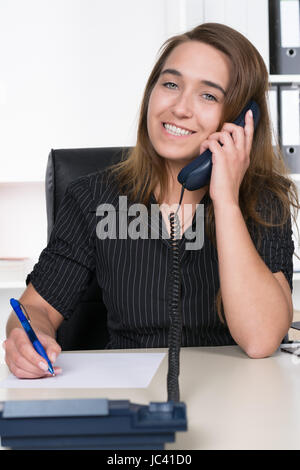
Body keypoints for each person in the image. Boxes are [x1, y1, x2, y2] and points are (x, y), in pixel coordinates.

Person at [3, 23, 299, 379]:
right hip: (130, 392)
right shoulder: (93, 197)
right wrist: (27, 337)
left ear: (240, 120)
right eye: (171, 84)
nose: (179, 108)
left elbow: (261, 339)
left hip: (240, 395)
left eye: (208, 96)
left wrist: (226, 201)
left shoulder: (263, 201)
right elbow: (37, 308)